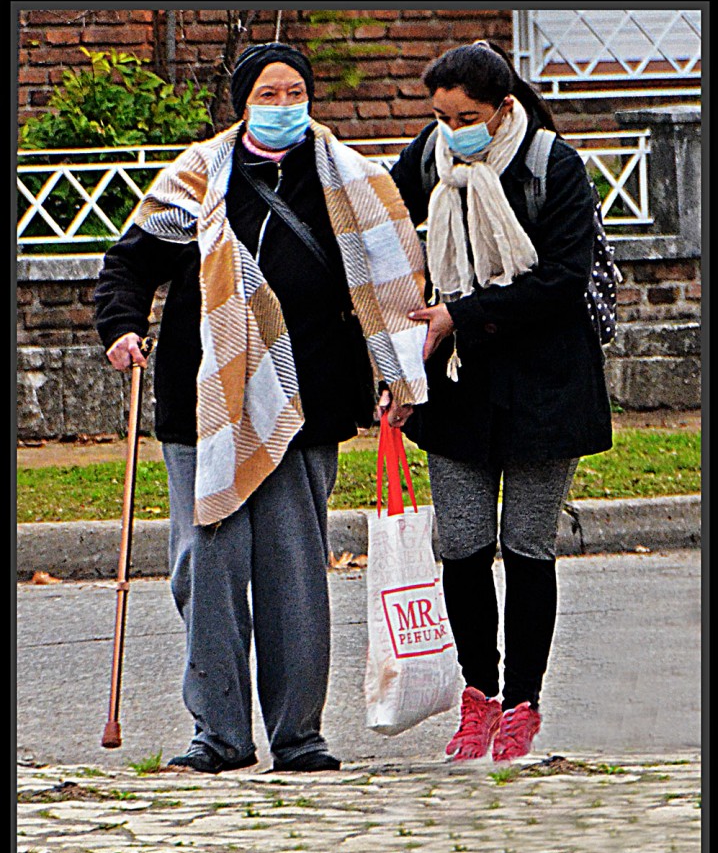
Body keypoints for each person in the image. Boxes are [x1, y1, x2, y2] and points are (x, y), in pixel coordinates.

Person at [94, 42, 428, 774]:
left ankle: (298, 737)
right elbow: (129, 263)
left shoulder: (351, 181)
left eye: (295, 91)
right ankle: (217, 736)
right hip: (205, 402)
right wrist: (120, 327)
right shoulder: (195, 179)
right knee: (205, 568)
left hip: (306, 402)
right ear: (242, 105)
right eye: (268, 96)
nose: (285, 106)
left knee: (294, 573)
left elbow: (389, 288)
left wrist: (392, 374)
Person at [389, 41, 613, 762]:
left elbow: (564, 278)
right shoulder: (429, 159)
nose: (453, 128)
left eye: (468, 115)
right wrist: (391, 363)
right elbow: (390, 249)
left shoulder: (553, 165)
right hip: (455, 384)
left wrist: (468, 312)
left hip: (546, 382)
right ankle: (476, 693)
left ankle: (523, 701)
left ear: (504, 106)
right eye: (441, 114)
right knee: (460, 545)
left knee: (525, 546)